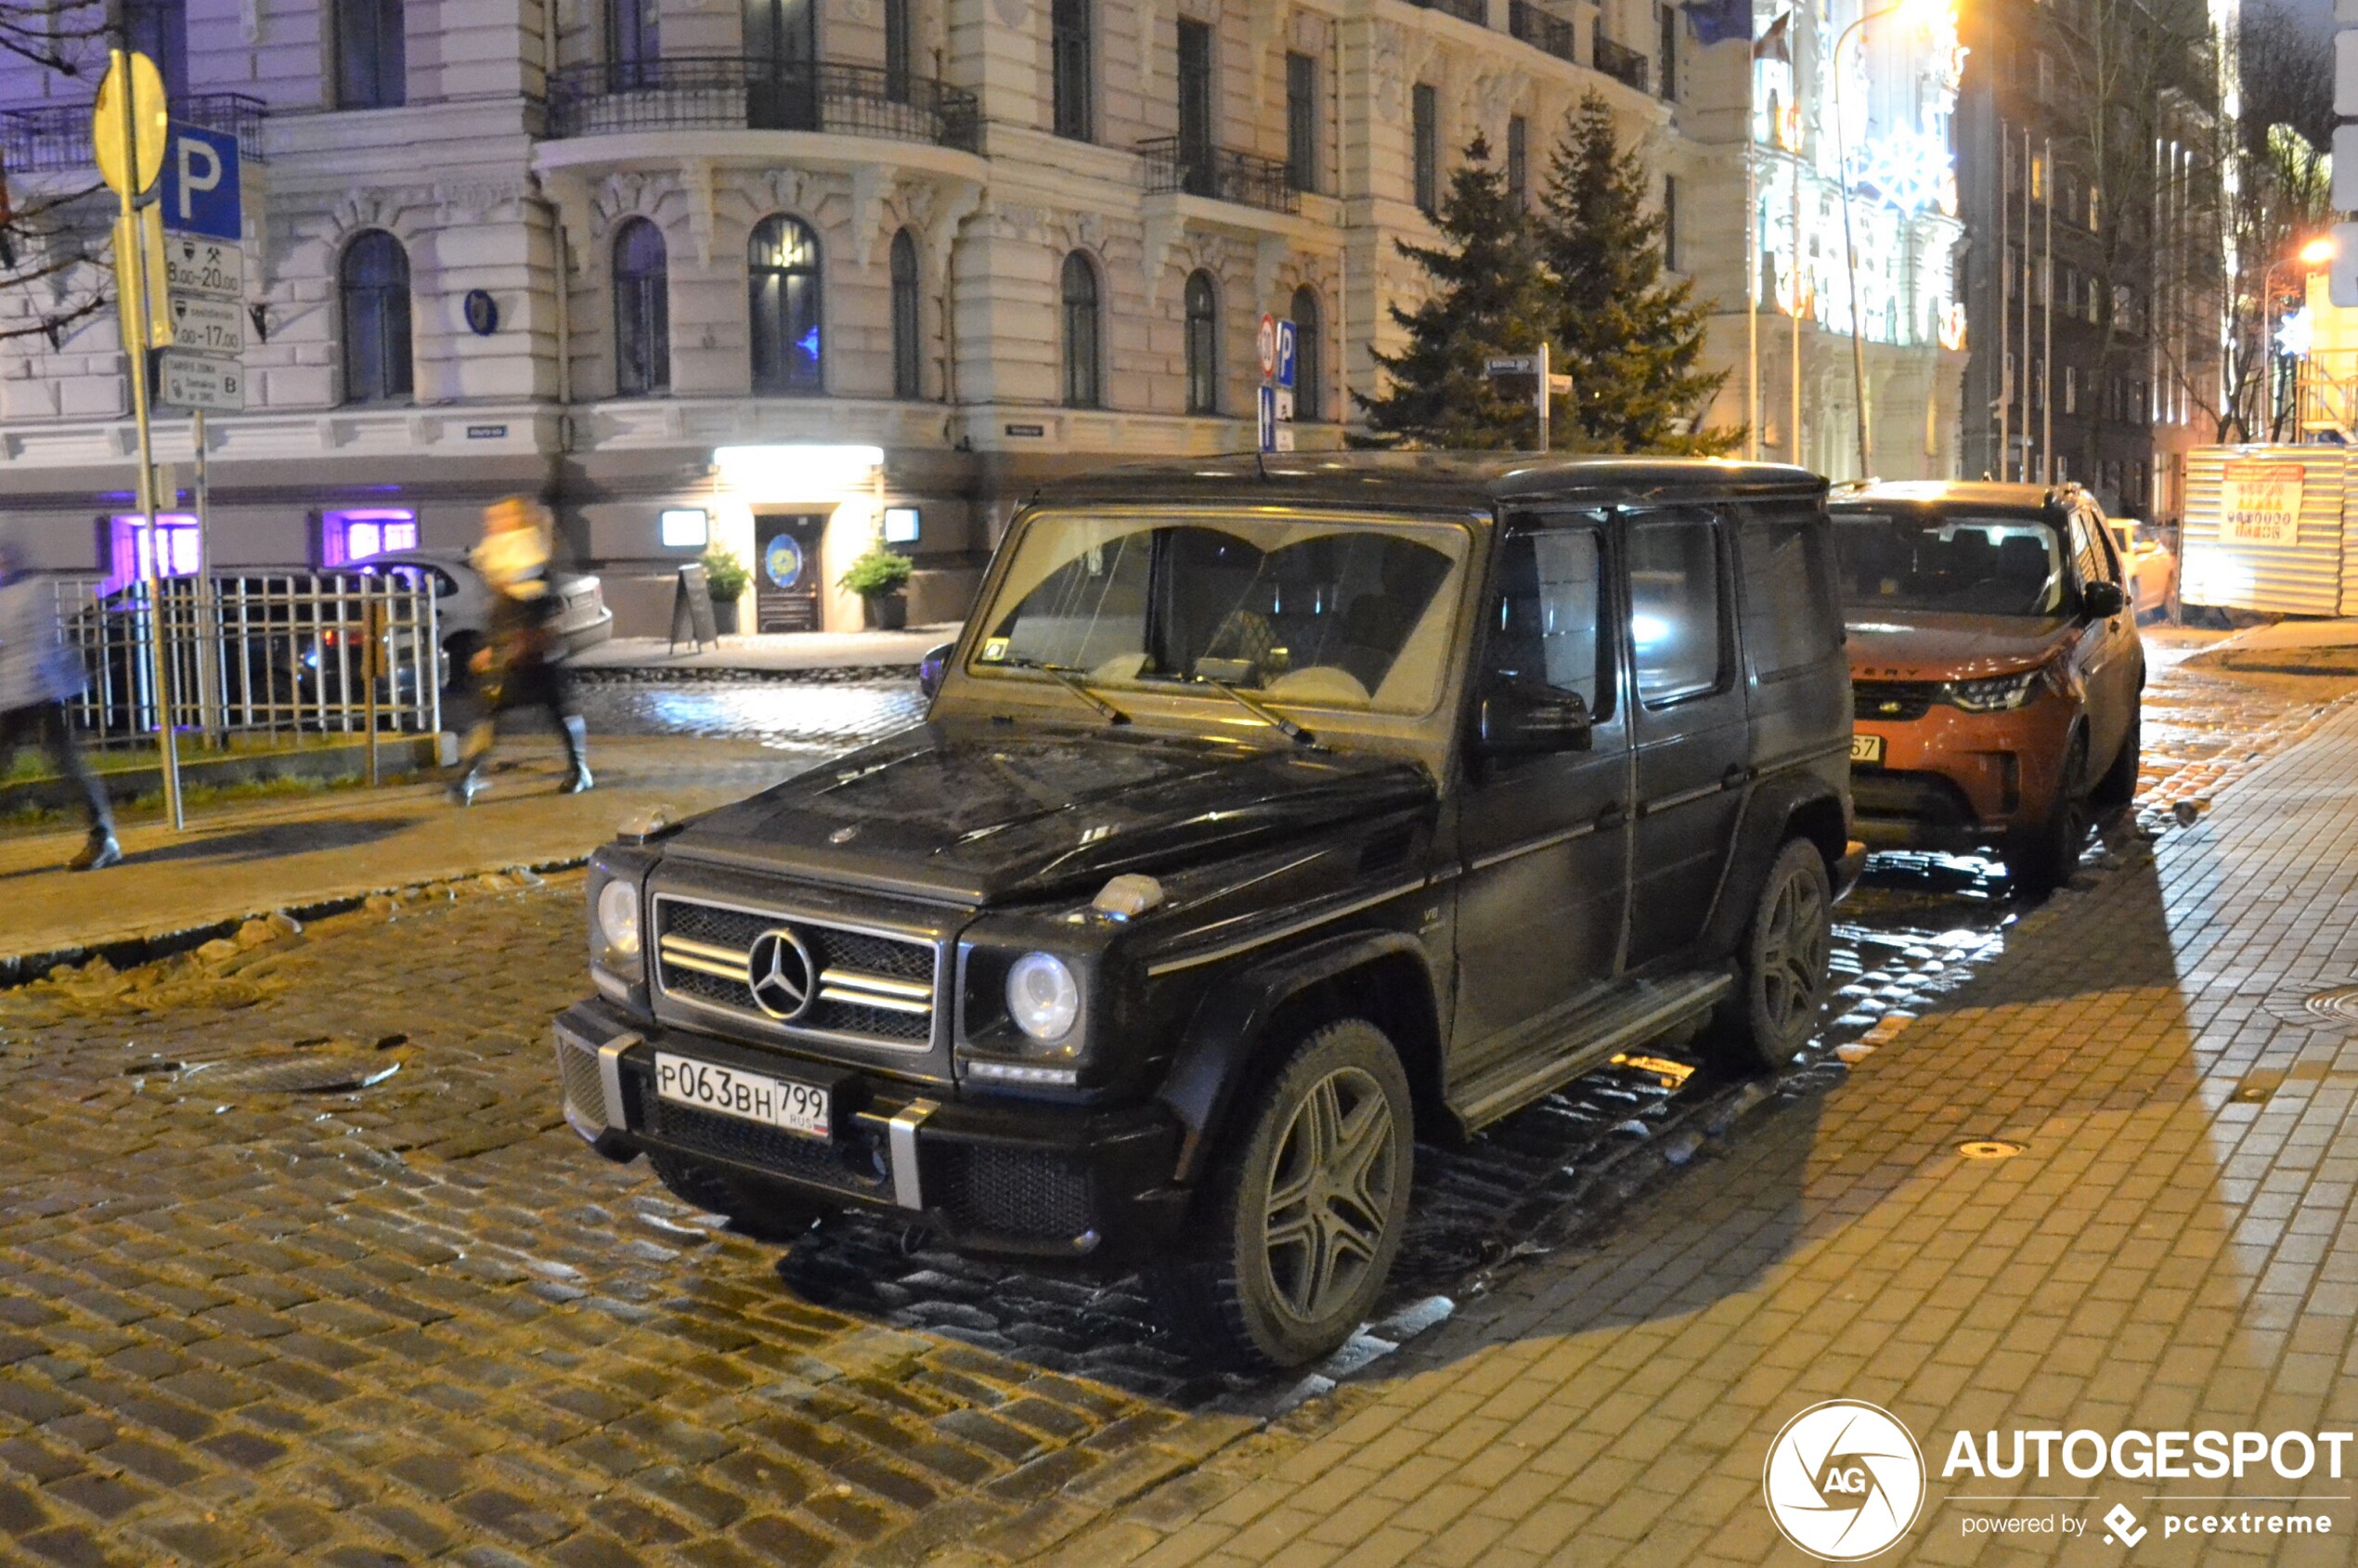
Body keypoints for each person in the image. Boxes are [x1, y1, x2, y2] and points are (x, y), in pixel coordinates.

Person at [449, 496, 592, 805]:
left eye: (499, 518)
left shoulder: (527, 553)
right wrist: (492, 644)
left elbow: (528, 607)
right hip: (515, 649)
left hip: (530, 651)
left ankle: (580, 770)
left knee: (556, 710)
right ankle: (465, 779)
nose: (492, 524)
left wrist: (500, 645)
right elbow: (505, 607)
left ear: (515, 520)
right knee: (491, 712)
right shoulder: (509, 554)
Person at [0, 521, 120, 870]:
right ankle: (103, 836)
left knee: (67, 763)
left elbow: (37, 646)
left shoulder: (32, 589)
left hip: (42, 691)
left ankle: (103, 838)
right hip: (13, 694)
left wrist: (21, 691)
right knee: (62, 763)